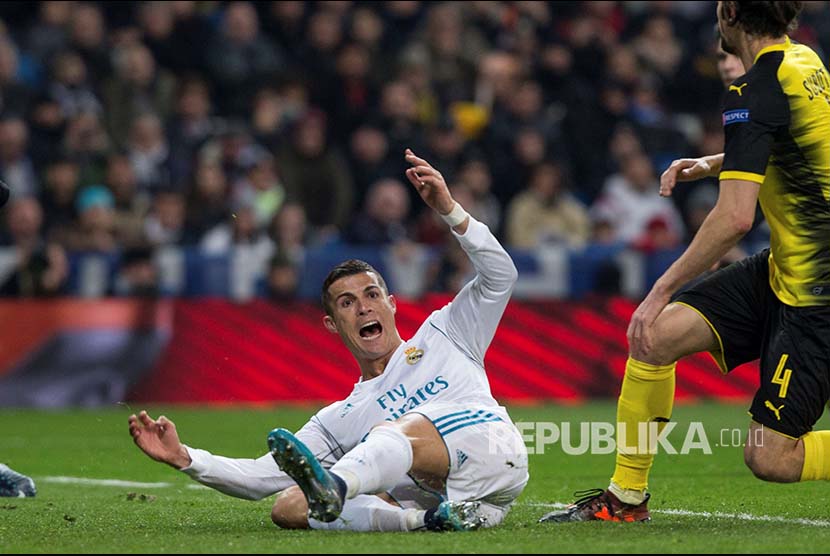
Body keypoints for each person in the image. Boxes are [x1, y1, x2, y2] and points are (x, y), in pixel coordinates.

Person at [129, 149, 528, 532]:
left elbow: (500, 276)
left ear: (391, 305)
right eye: (348, 303)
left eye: (372, 296)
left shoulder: (446, 332)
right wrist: (184, 458)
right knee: (289, 506)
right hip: (458, 498)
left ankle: (336, 486)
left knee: (395, 433)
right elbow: (259, 477)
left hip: (493, 448)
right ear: (332, 324)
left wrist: (449, 211)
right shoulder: (338, 419)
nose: (364, 309)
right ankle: (424, 522)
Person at [541, 1, 830, 523]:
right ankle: (626, 499)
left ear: (731, 14)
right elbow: (802, 140)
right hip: (782, 269)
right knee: (655, 338)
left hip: (818, 293)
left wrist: (658, 291)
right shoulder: (806, 63)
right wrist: (719, 162)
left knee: (771, 458)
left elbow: (735, 219)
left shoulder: (753, 89)